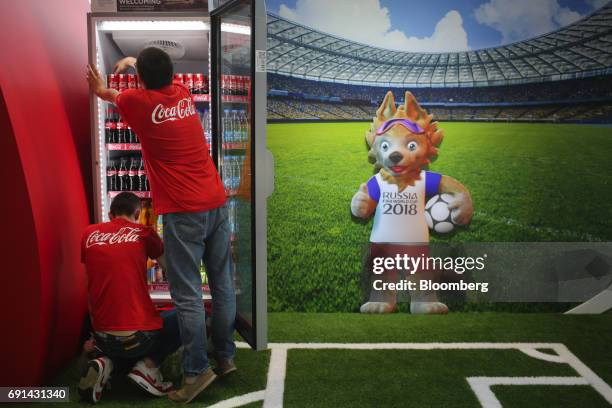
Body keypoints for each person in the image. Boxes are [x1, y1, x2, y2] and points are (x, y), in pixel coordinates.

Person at [87, 47, 236, 404]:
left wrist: (101, 84)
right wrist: (135, 64)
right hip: (216, 201)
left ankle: (196, 371)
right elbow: (151, 74)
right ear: (172, 76)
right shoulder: (183, 93)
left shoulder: (136, 102)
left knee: (187, 297)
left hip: (184, 211)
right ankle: (226, 356)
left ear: (140, 80)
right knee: (222, 284)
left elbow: (108, 93)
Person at [79, 192, 181, 403]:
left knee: (122, 345)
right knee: (186, 316)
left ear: (109, 214)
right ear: (138, 213)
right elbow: (172, 272)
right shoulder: (145, 232)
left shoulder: (88, 234)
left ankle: (106, 363)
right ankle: (149, 365)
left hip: (101, 336)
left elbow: (91, 280)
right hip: (139, 338)